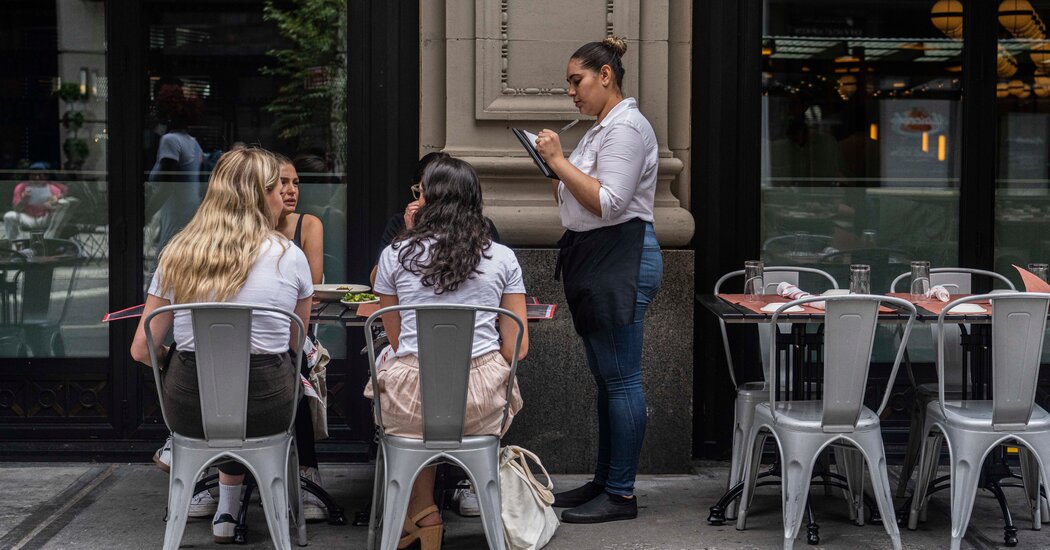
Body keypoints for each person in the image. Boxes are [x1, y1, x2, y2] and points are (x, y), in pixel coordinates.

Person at [131, 148, 313, 544]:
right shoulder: (290, 257)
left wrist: (169, 363)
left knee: (212, 381)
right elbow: (296, 346)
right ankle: (240, 513)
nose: (284, 194)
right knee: (250, 384)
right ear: (256, 195)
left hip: (190, 410)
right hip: (267, 408)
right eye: (275, 188)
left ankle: (211, 495)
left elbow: (142, 350)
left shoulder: (179, 254)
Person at [364, 156, 528, 550]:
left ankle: (419, 514)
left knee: (395, 371)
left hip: (411, 401)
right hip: (483, 402)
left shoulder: (395, 256)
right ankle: (431, 512)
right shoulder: (502, 257)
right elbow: (517, 345)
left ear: (428, 201)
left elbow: (399, 339)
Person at [534, 36, 663, 524]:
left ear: (605, 75)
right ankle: (606, 481)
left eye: (576, 80)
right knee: (608, 381)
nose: (571, 92)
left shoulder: (626, 128)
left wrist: (559, 161)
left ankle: (622, 495)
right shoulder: (598, 130)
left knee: (622, 380)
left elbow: (608, 202)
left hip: (622, 257)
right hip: (597, 257)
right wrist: (557, 168)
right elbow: (573, 204)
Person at [274, 155, 328, 521]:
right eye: (283, 183)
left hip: (295, 330)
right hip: (253, 339)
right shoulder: (239, 231)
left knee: (298, 364)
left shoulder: (308, 224)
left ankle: (308, 471)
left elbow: (314, 288)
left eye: (295, 182)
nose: (291, 190)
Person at [370, 152, 501, 287]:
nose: (423, 200)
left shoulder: (483, 229)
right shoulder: (401, 223)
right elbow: (377, 282)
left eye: (428, 192)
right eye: (420, 191)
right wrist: (410, 236)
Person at [145, 82, 205, 254]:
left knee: (164, 263)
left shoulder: (170, 141)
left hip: (175, 215)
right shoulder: (193, 143)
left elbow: (167, 184)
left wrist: (145, 214)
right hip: (189, 214)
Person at [4, 162, 67, 240]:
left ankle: (50, 240)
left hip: (45, 218)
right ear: (29, 175)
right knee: (9, 216)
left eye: (40, 175)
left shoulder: (53, 188)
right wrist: (23, 200)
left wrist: (52, 205)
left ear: (46, 176)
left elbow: (62, 200)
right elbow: (16, 209)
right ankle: (17, 242)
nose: (37, 178)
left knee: (59, 215)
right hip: (27, 218)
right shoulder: (21, 187)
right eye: (34, 175)